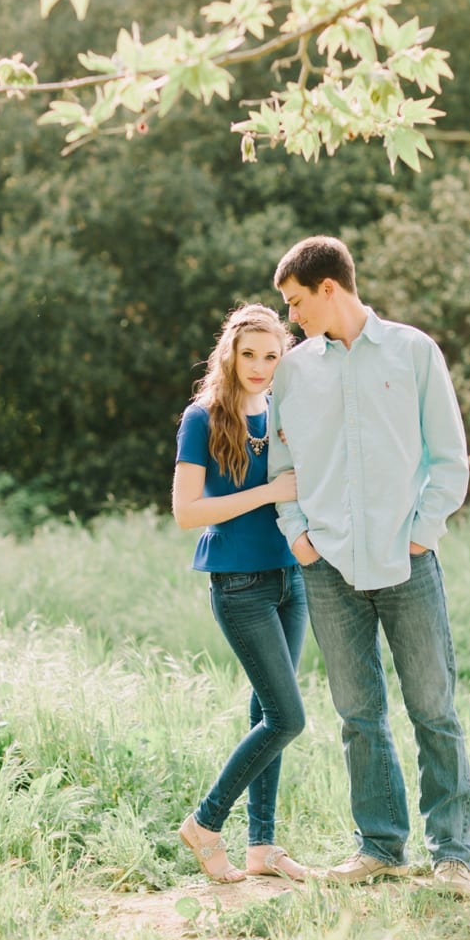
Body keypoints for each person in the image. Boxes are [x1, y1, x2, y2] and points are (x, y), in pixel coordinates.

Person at [266, 235, 470, 896]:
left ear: (330, 287)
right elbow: (282, 465)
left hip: (406, 560)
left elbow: (450, 458)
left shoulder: (413, 352)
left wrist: (421, 532)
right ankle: (380, 847)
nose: (291, 318)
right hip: (327, 565)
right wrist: (298, 535)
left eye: (296, 302)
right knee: (358, 714)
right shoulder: (295, 372)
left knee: (433, 707)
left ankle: (454, 852)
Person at [172, 302, 311, 883]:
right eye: (248, 353)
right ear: (228, 352)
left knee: (266, 710)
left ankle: (262, 847)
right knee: (286, 718)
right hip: (240, 584)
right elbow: (187, 512)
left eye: (271, 356)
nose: (259, 366)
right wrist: (269, 492)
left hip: (291, 578)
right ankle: (204, 823)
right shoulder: (202, 418)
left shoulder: (286, 410)